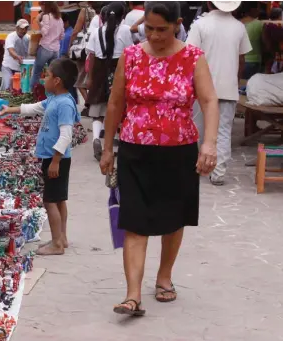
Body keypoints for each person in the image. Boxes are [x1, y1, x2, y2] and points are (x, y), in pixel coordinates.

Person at [99, 1, 219, 316]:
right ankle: (133, 295)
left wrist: (209, 144)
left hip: (179, 151)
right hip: (135, 150)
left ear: (177, 24)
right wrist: (108, 146)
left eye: (161, 29)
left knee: (172, 218)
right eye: (149, 28)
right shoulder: (132, 56)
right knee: (134, 220)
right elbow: (115, 103)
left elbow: (208, 99)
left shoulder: (193, 58)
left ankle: (164, 277)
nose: (154, 35)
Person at [187, 1, 251, 186]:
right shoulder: (239, 27)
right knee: (223, 132)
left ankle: (198, 166)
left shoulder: (200, 25)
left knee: (197, 128)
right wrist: (235, 82)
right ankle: (218, 172)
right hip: (227, 87)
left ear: (209, 3)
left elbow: (190, 55)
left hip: (202, 87)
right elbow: (242, 59)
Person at [34, 58, 80, 256]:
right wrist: (9, 110)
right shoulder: (55, 98)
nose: (44, 78)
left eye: (48, 75)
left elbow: (66, 135)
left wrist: (55, 161)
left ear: (58, 80)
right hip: (53, 157)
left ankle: (56, 244)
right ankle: (61, 237)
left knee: (50, 200)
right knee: (59, 199)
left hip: (56, 158)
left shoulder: (64, 104)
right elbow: (36, 107)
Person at [85, 2, 133, 162]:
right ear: (122, 16)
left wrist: (90, 78)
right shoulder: (125, 30)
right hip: (118, 68)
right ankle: (117, 141)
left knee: (97, 108)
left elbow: (91, 56)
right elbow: (130, 53)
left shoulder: (95, 32)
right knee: (119, 106)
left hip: (99, 70)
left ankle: (96, 139)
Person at [69, 2, 101, 113]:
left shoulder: (85, 11)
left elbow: (76, 29)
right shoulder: (105, 10)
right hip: (100, 50)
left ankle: (89, 104)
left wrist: (70, 45)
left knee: (80, 80)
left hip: (86, 50)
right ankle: (94, 104)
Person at [30, 2, 64, 89]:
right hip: (56, 50)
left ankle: (33, 94)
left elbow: (44, 32)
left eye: (41, 5)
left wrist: (38, 22)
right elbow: (62, 36)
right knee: (53, 74)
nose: (41, 7)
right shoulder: (59, 19)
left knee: (36, 73)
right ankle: (52, 93)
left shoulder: (47, 16)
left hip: (45, 48)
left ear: (46, 5)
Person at [1, 19, 31, 91]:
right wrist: (17, 57)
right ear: (17, 28)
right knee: (8, 87)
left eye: (26, 29)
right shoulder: (11, 36)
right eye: (22, 29)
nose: (24, 31)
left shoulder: (28, 38)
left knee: (23, 88)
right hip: (9, 67)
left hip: (22, 68)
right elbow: (11, 50)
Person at [240, 2, 264, 79]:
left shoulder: (236, 23)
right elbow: (265, 43)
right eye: (258, 8)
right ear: (252, 9)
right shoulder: (259, 24)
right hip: (254, 61)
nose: (259, 10)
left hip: (237, 60)